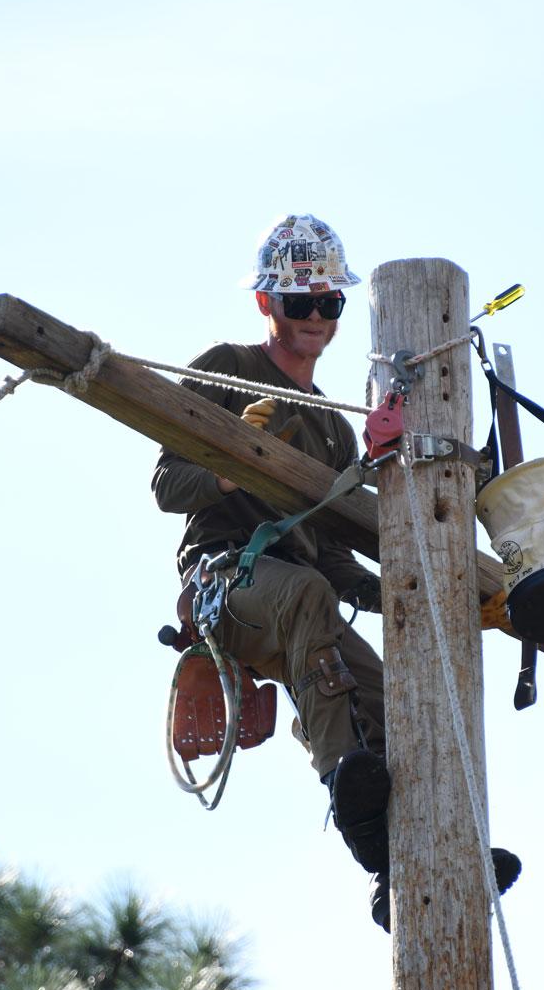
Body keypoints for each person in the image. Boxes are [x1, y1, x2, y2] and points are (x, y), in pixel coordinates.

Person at [153, 214, 520, 930]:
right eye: (300, 303)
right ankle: (345, 787)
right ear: (267, 304)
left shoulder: (330, 426)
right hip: (227, 584)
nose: (315, 317)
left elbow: (333, 560)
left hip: (299, 597)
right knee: (307, 596)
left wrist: (452, 597)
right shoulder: (227, 367)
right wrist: (232, 465)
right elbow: (168, 485)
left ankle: (415, 860)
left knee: (400, 697)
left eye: (329, 304)